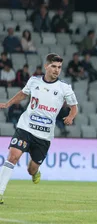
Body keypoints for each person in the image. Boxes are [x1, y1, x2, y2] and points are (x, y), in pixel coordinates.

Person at [0, 53, 78, 204]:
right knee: (13, 156)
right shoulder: (34, 81)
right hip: (26, 127)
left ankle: (35, 172)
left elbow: (74, 107)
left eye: (59, 67)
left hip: (44, 136)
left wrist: (70, 117)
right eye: (54, 66)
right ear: (46, 66)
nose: (57, 70)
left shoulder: (64, 88)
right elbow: (23, 94)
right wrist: (7, 104)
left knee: (32, 169)